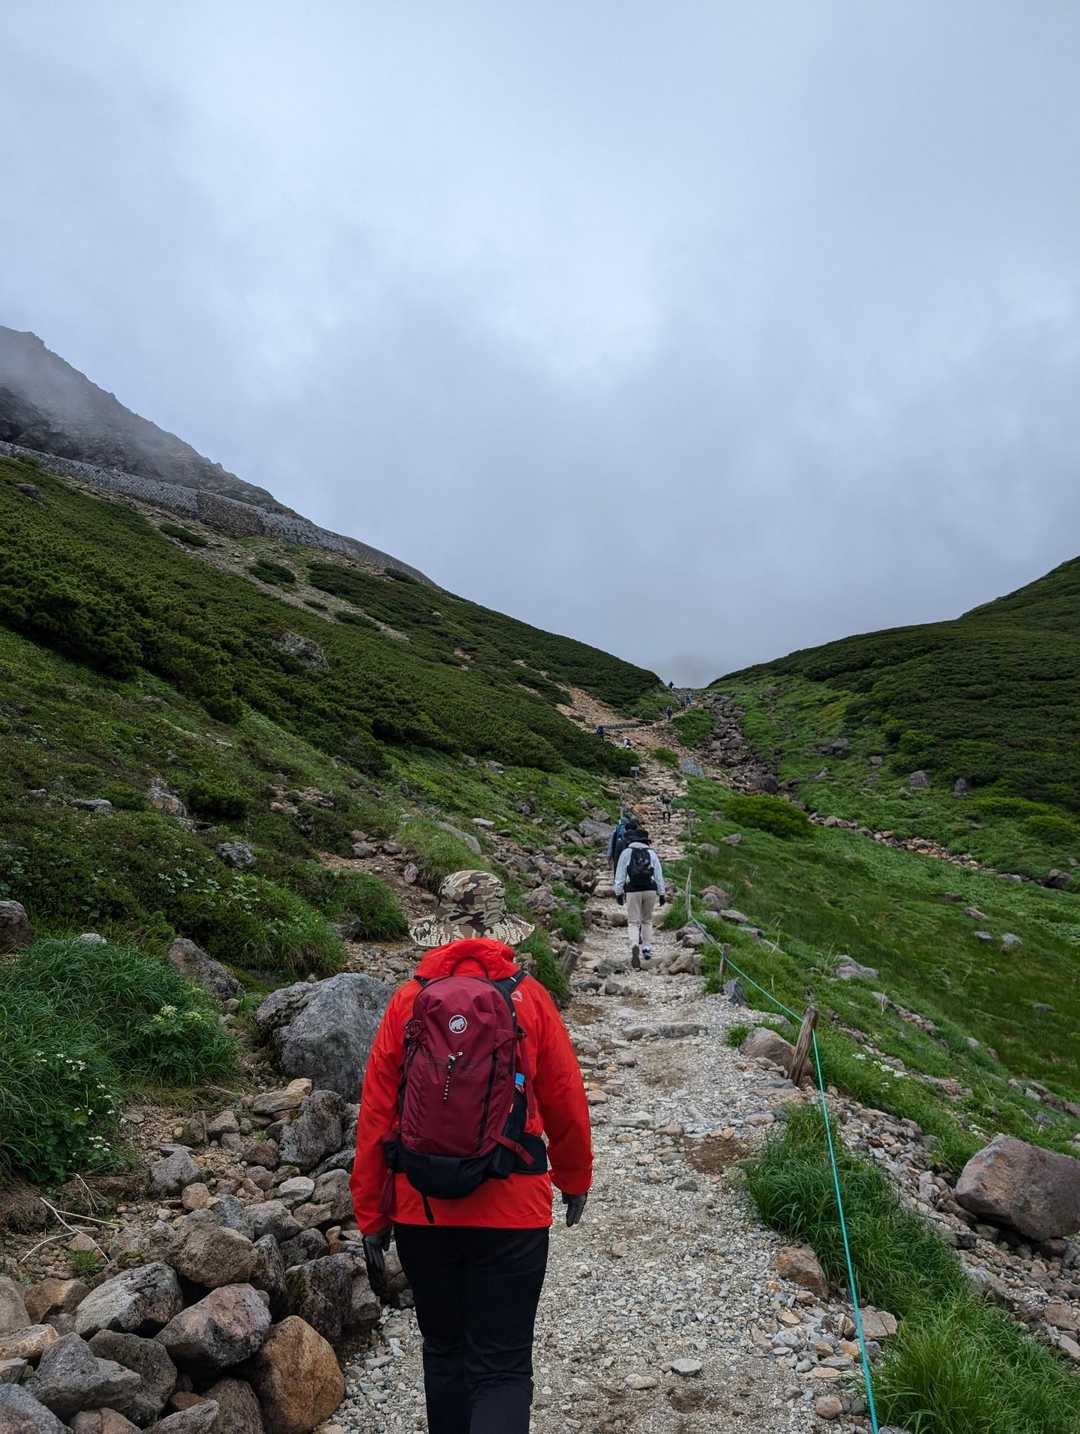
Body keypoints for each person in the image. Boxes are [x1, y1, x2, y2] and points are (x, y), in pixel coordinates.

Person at [351, 870, 593, 1434]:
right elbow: (565, 1099)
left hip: (421, 1210)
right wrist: (574, 1179)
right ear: (501, 931)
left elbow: (376, 1117)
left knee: (444, 1353)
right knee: (501, 1367)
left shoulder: (408, 1001)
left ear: (440, 932)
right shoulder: (530, 999)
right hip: (513, 1210)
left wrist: (372, 1215)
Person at [613, 830, 666, 967]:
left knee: (633, 922)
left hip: (633, 890)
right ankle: (647, 947)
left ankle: (635, 945)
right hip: (650, 889)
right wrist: (662, 893)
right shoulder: (652, 853)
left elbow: (620, 875)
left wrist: (618, 893)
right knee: (647, 920)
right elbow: (658, 875)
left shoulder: (626, 853)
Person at [606, 809, 642, 874]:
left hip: (618, 853)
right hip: (631, 855)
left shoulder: (617, 830)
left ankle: (617, 878)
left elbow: (611, 844)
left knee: (618, 869)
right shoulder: (634, 830)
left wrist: (609, 856)